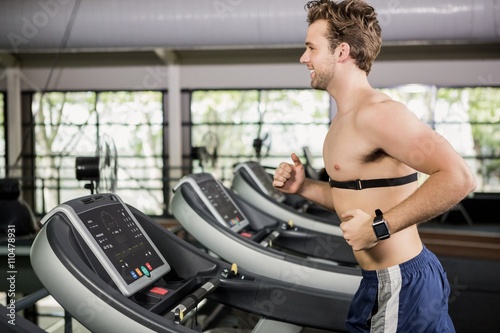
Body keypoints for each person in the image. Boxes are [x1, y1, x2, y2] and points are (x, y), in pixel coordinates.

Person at [272, 0, 477, 332]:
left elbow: (460, 178)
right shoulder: (344, 120)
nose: (303, 58)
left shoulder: (379, 113)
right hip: (379, 279)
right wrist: (304, 187)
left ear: (341, 51)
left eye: (311, 48)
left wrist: (378, 229)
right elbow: (356, 197)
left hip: (400, 281)